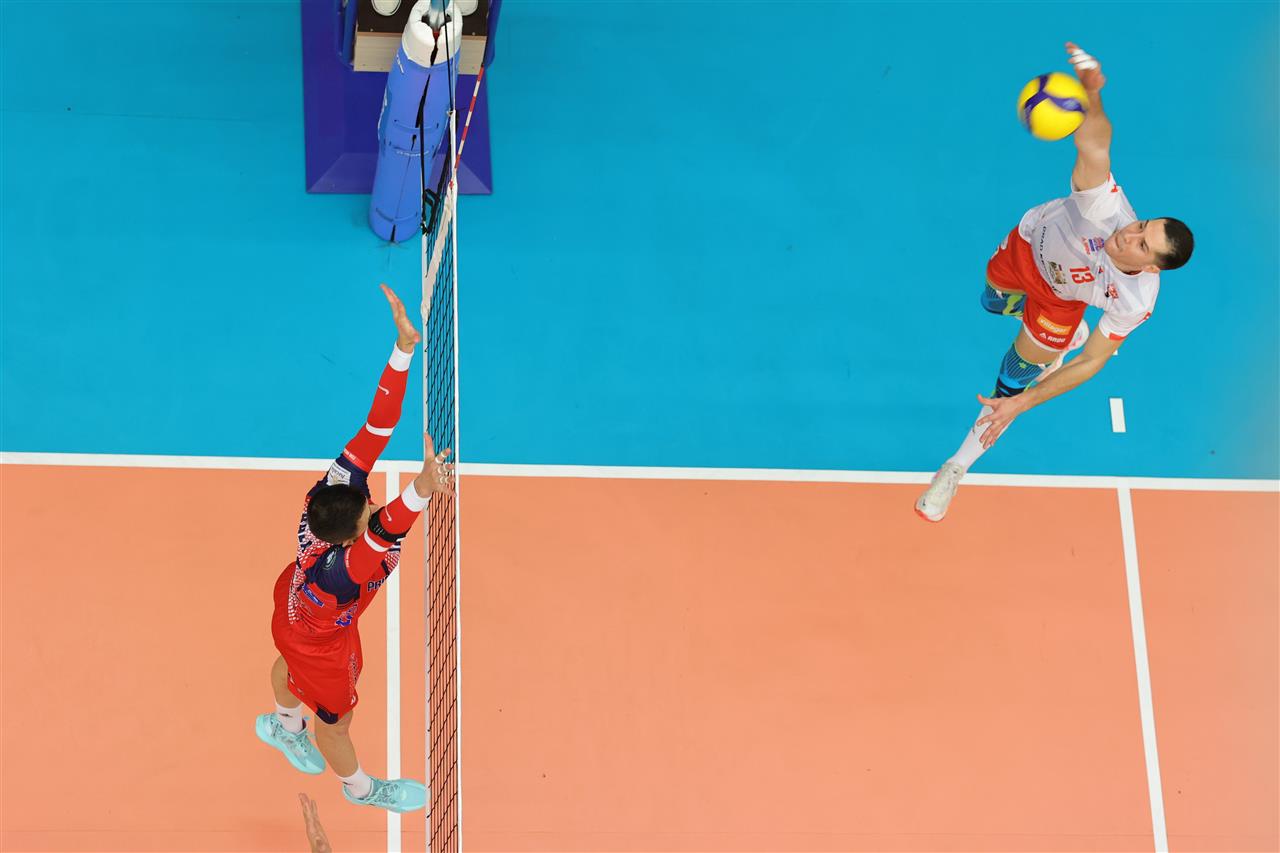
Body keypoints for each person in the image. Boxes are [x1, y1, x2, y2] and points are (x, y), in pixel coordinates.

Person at [916, 42, 1194, 521]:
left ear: (1152, 267)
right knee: (990, 301)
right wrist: (1091, 93)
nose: (1129, 235)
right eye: (1141, 226)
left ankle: (955, 468)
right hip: (1026, 248)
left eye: (1142, 245)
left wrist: (1024, 403)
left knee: (1010, 382)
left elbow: (1091, 361)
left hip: (1059, 305)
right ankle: (1053, 336)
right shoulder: (1102, 208)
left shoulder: (1135, 298)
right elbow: (1095, 145)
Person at [255, 284, 453, 812]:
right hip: (323, 640)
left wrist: (402, 350)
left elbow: (377, 425)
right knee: (336, 720)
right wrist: (422, 487)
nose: (373, 506)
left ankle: (283, 724)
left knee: (287, 663)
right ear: (348, 538)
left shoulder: (334, 489)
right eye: (367, 515)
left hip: (290, 612)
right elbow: (388, 528)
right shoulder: (341, 572)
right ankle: (361, 790)